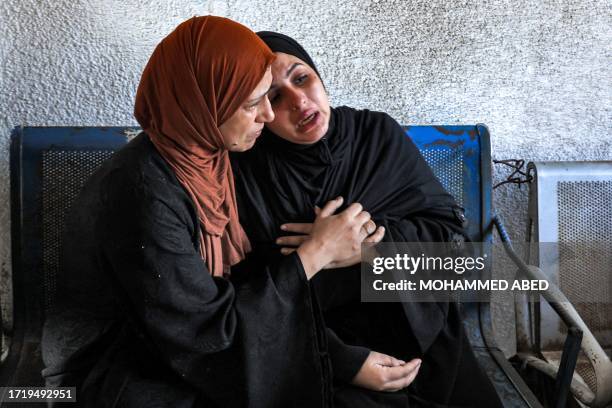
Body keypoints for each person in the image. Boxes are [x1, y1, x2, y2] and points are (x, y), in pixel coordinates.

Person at [41, 17, 404, 408]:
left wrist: (339, 355)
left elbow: (461, 264)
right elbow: (201, 333)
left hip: (185, 345)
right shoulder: (141, 193)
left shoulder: (210, 161)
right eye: (253, 103)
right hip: (114, 369)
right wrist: (316, 255)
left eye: (270, 94)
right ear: (203, 105)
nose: (268, 114)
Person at [230, 31, 504, 407]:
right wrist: (344, 361)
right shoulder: (247, 173)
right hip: (314, 346)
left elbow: (443, 239)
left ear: (318, 75)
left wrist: (368, 248)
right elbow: (255, 293)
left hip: (420, 327)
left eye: (301, 78)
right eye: (274, 96)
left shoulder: (374, 136)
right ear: (259, 110)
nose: (299, 101)